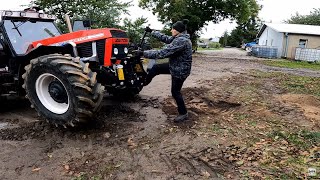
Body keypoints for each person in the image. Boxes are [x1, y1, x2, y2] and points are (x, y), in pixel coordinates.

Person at [137, 19, 193, 123]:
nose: (171, 30)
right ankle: (143, 82)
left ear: (178, 30)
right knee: (156, 68)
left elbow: (162, 53)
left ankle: (183, 113)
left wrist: (143, 53)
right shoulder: (179, 37)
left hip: (180, 71)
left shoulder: (181, 41)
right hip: (175, 66)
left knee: (175, 92)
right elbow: (166, 38)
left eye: (173, 29)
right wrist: (152, 32)